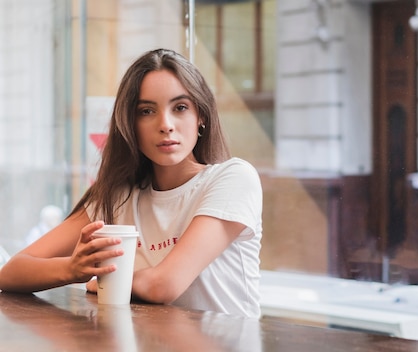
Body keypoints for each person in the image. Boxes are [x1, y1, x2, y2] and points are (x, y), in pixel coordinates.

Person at [0, 48, 263, 318]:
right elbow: (10, 273)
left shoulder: (233, 178)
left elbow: (164, 286)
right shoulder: (119, 197)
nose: (166, 124)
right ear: (130, 124)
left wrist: (107, 281)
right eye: (147, 111)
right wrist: (72, 269)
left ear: (201, 117)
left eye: (180, 107)